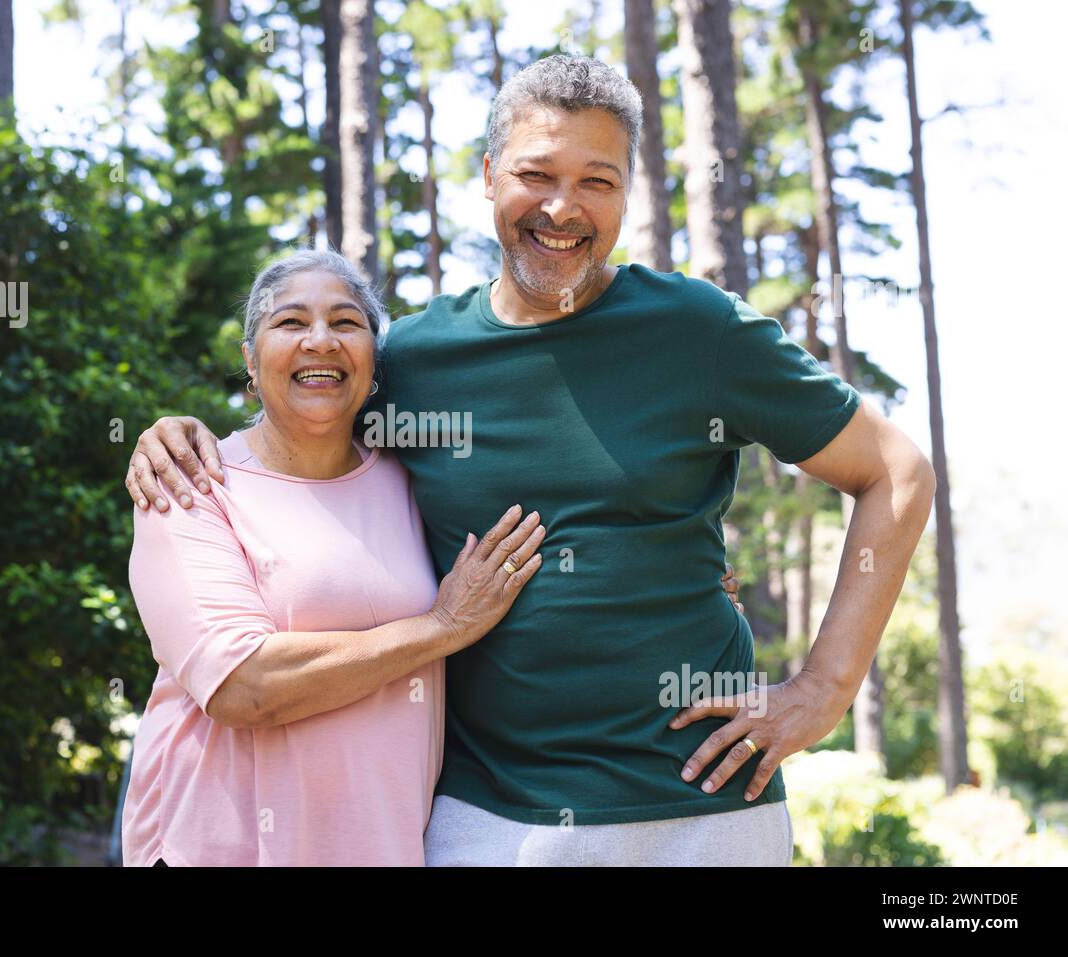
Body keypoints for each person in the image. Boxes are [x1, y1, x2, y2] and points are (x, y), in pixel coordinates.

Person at [127, 56, 936, 866]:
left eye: (597, 180)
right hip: (489, 818)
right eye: (536, 173)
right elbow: (301, 424)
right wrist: (179, 433)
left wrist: (822, 691)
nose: (562, 207)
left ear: (628, 192)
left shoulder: (697, 331)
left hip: (702, 809)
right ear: (487, 175)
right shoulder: (413, 360)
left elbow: (895, 471)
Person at [121, 250, 548, 866]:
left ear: (374, 360)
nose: (320, 341)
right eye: (289, 323)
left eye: (346, 323)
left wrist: (699, 578)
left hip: (381, 847)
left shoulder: (416, 480)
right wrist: (440, 629)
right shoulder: (189, 485)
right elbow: (243, 686)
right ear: (250, 358)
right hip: (219, 849)